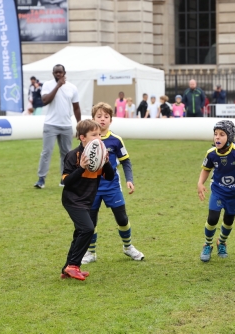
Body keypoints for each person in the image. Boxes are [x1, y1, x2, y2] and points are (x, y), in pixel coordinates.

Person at [81, 102, 145, 264]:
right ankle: (90, 252)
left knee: (122, 218)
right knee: (91, 221)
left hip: (112, 186)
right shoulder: (87, 140)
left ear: (111, 120)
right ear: (93, 119)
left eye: (106, 116)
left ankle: (128, 247)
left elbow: (126, 161)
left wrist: (129, 179)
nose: (102, 120)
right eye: (99, 116)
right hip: (92, 188)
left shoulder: (116, 140)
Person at [60, 119, 115, 280]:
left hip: (87, 200)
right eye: (94, 135)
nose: (98, 138)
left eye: (99, 134)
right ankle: (73, 265)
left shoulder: (99, 155)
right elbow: (66, 181)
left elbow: (110, 177)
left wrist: (105, 163)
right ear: (82, 137)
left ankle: (67, 268)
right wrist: (81, 168)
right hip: (73, 199)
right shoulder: (73, 155)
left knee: (80, 232)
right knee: (87, 229)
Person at [198, 120, 235, 262]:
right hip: (218, 190)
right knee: (213, 218)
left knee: (228, 221)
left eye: (222, 134)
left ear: (229, 137)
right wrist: (200, 183)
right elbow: (206, 169)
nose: (217, 137)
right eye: (215, 134)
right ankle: (208, 244)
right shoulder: (211, 153)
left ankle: (221, 242)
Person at [34, 64, 81, 189]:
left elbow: (76, 108)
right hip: (51, 124)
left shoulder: (72, 87)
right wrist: (58, 86)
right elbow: (45, 101)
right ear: (53, 73)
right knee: (46, 152)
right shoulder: (48, 85)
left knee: (66, 154)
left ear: (64, 73)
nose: (58, 74)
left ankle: (64, 178)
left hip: (66, 125)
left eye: (60, 72)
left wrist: (79, 125)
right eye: (56, 72)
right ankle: (41, 179)